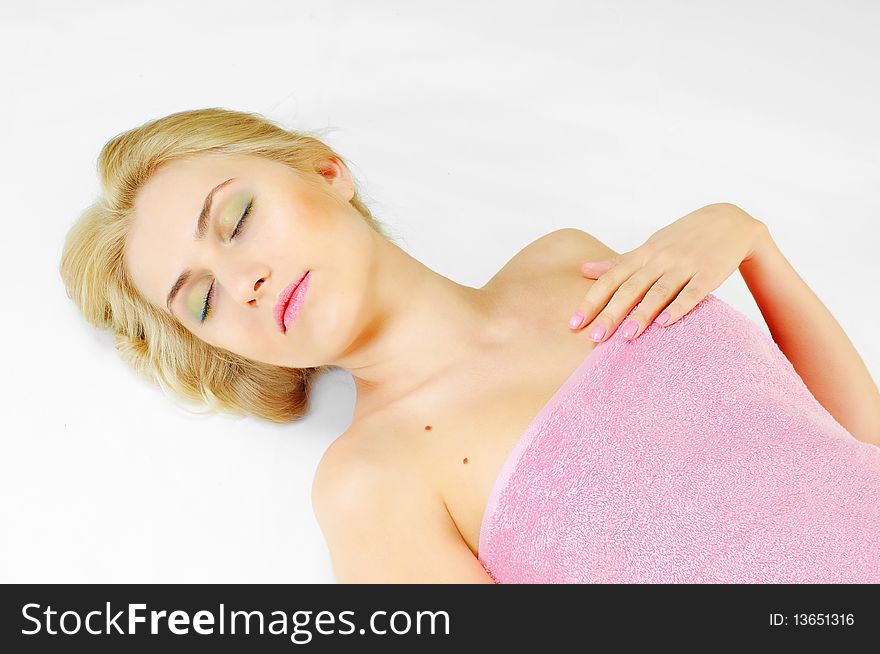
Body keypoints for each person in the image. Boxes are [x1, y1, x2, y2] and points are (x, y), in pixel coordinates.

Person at [60, 108, 880, 583]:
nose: (244, 281)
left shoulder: (569, 260)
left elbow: (852, 452)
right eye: (201, 299)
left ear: (325, 172)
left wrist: (751, 243)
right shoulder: (369, 486)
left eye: (235, 220)